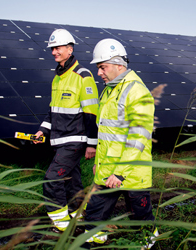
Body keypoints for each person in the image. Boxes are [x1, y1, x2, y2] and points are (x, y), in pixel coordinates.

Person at [84, 38, 157, 248]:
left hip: (130, 170)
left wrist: (120, 172)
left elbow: (138, 136)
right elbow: (106, 132)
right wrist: (100, 162)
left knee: (140, 213)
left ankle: (150, 239)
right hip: (108, 167)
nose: (99, 73)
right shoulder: (109, 90)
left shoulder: (137, 91)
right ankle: (94, 239)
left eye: (102, 67)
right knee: (95, 211)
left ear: (118, 64)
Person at [34, 29, 99, 232]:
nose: (54, 52)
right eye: (52, 48)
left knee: (52, 179)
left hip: (74, 140)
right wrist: (42, 131)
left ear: (69, 49)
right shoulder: (57, 77)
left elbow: (91, 113)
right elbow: (53, 110)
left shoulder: (83, 76)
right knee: (72, 181)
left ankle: (61, 224)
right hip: (59, 139)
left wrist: (91, 143)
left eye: (58, 48)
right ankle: (80, 216)